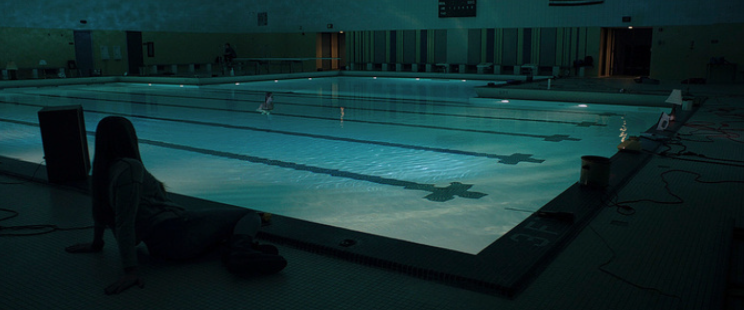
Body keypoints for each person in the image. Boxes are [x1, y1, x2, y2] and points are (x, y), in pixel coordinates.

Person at [65, 116, 286, 295]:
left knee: (222, 227)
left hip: (161, 249)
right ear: (129, 138)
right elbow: (125, 221)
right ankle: (240, 252)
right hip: (177, 231)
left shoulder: (104, 171)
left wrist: (97, 244)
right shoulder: (130, 168)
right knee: (250, 216)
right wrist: (130, 271)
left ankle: (233, 249)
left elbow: (101, 211)